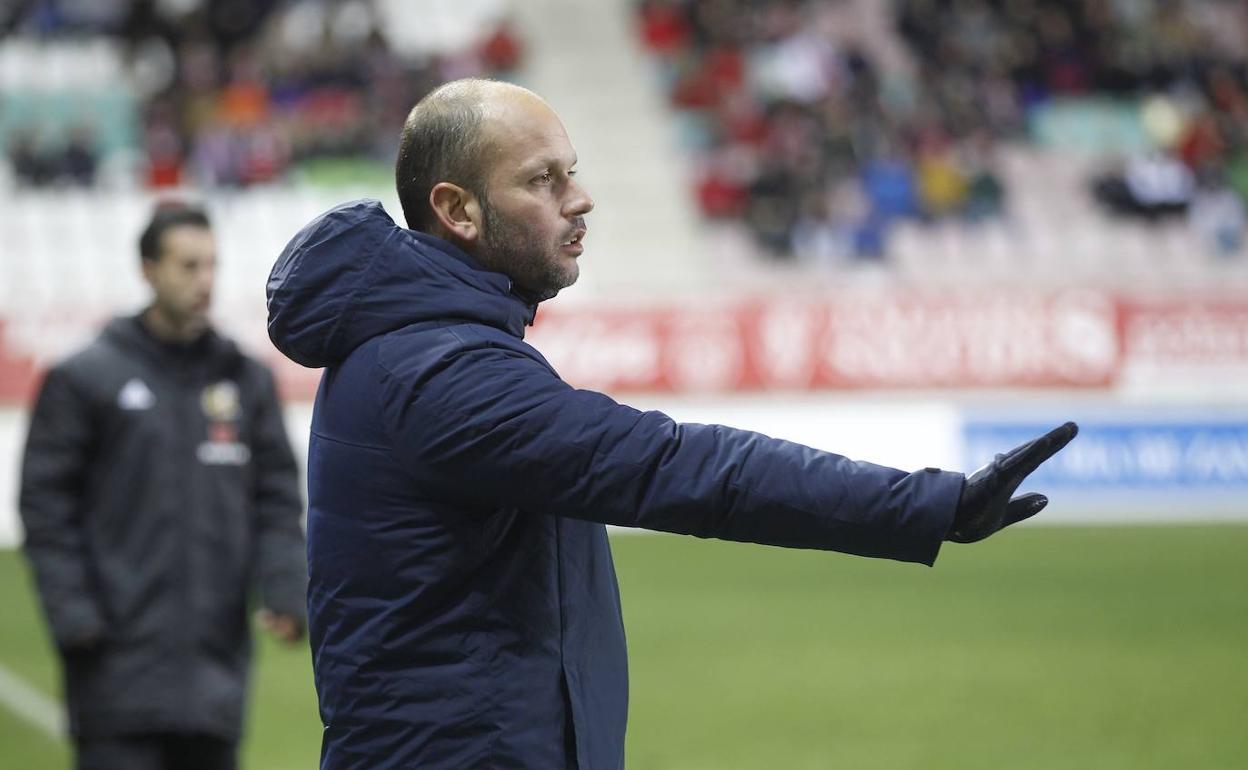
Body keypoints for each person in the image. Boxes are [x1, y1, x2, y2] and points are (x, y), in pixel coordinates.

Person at [265, 79, 1078, 770]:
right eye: (543, 180)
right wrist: (926, 505)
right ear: (458, 210)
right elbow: (680, 468)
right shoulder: (442, 373)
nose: (579, 199)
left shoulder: (424, 347)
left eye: (572, 173)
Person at [20, 203, 308, 770]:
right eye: (187, 266)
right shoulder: (86, 378)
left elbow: (275, 497)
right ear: (148, 269)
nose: (204, 281)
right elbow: (46, 504)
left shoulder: (244, 380)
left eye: (211, 266)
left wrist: (283, 588)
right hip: (113, 667)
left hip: (215, 671)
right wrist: (73, 615)